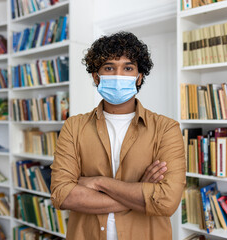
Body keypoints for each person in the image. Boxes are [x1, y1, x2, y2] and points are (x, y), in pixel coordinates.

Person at [50, 31, 186, 240]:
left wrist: (97, 183)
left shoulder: (166, 128)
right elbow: (62, 195)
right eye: (109, 67)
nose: (118, 75)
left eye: (128, 68)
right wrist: (141, 191)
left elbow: (167, 202)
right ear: (96, 77)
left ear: (139, 77)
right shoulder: (73, 126)